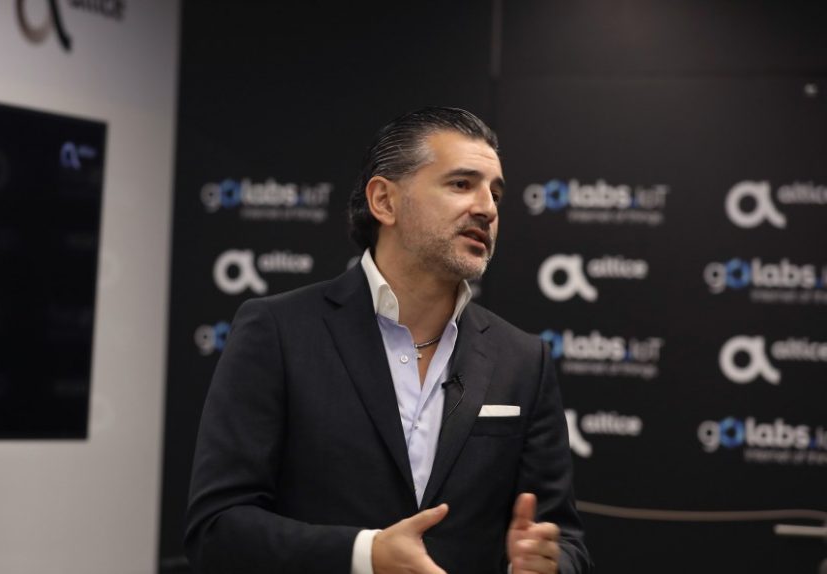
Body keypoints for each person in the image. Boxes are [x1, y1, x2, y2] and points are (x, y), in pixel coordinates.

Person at [185, 107, 592, 574]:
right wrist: (367, 555)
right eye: (462, 184)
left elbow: (565, 541)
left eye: (495, 194)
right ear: (384, 201)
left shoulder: (522, 359)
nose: (487, 208)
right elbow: (217, 530)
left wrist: (546, 565)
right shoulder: (277, 331)